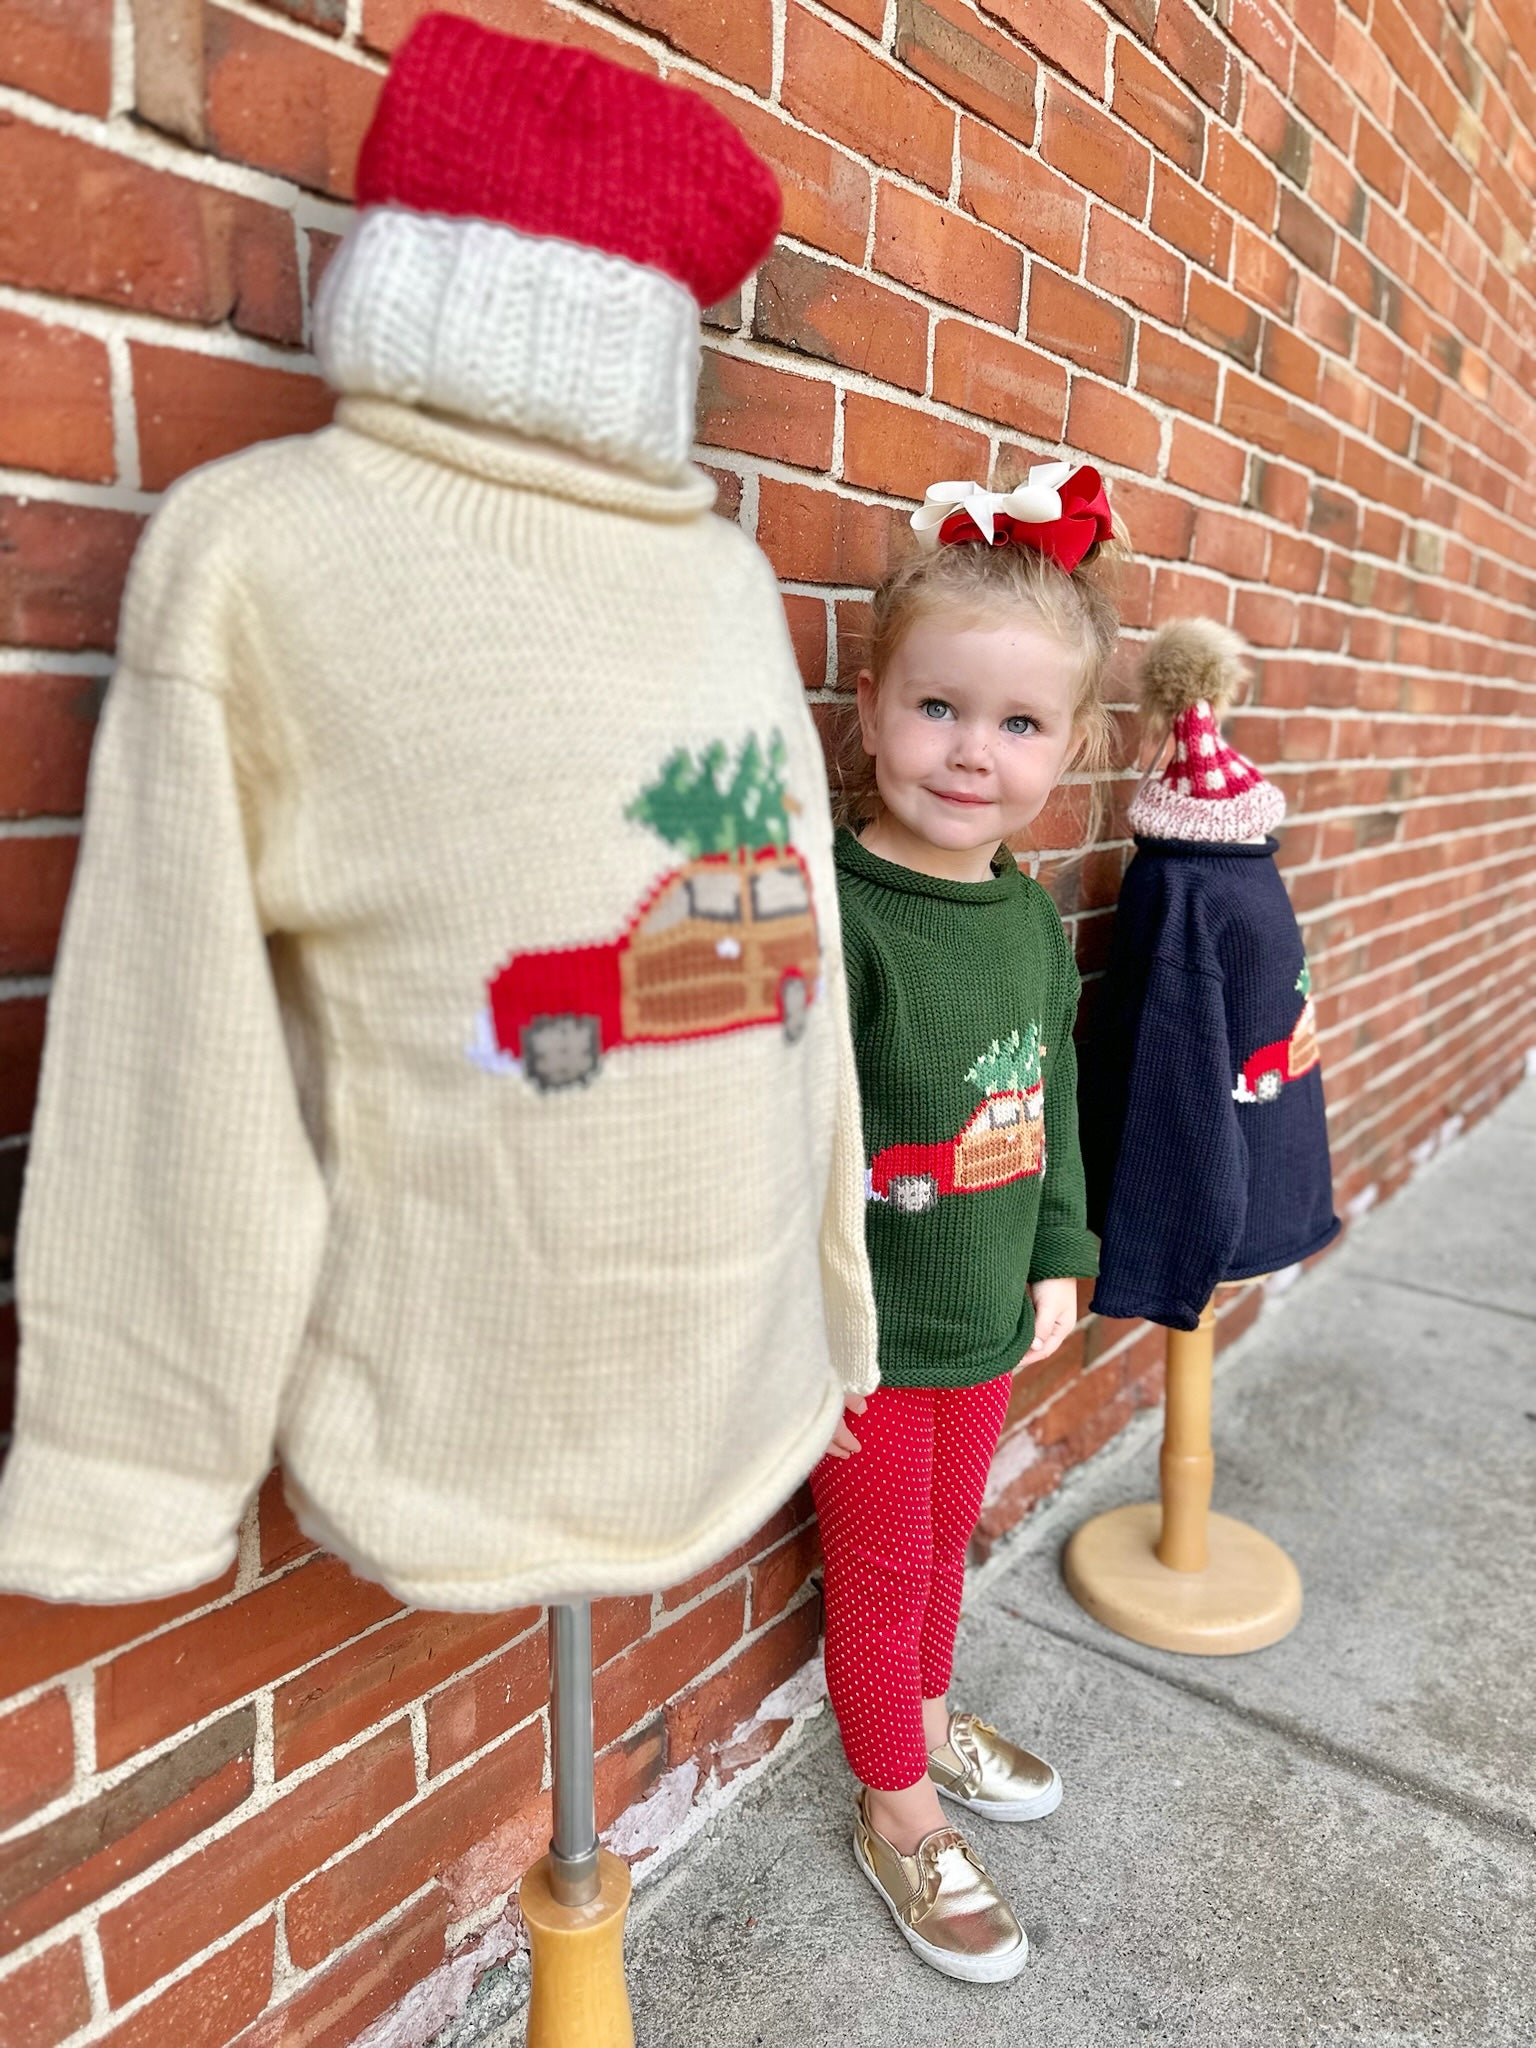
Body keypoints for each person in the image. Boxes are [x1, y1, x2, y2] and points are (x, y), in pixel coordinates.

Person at [812, 467, 1119, 1982]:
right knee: (880, 1571)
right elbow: (784, 1135)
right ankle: (898, 1807)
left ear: (1070, 748)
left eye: (1018, 726)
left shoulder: (1024, 915)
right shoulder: (838, 911)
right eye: (939, 708)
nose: (971, 754)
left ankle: (927, 1722)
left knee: (946, 1547)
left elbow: (1047, 1091)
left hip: (988, 1303)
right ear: (870, 708)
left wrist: (1061, 1249)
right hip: (869, 1331)